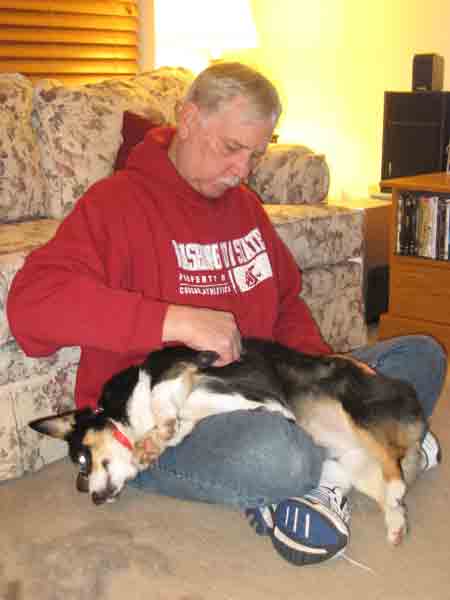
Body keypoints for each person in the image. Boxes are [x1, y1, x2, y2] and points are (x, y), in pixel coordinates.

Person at [7, 62, 446, 566]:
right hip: (164, 425)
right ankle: (346, 462)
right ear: (190, 119)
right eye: (232, 148)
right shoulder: (114, 204)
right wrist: (173, 320)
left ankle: (328, 479)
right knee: (281, 453)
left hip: (271, 384)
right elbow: (31, 304)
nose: (243, 171)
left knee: (422, 355)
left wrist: (325, 371)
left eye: (255, 155)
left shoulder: (245, 208)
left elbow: (285, 302)